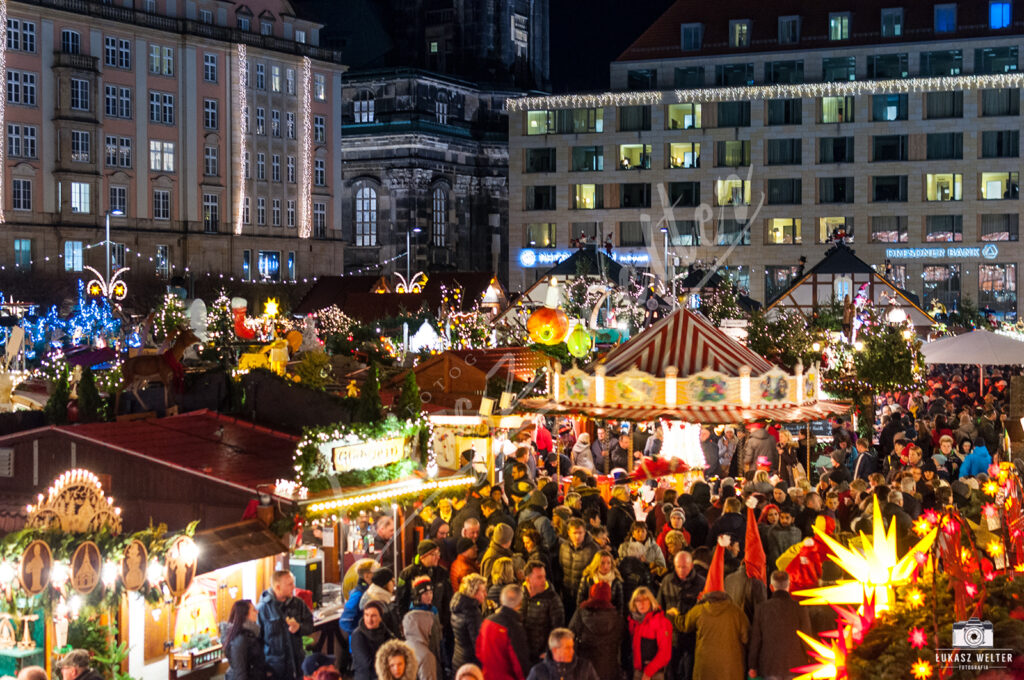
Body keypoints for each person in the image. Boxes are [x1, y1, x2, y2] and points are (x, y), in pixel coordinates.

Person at [748, 571, 812, 680]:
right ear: (789, 585)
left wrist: (752, 666)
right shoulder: (800, 608)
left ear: (771, 587)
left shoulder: (761, 609)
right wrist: (813, 661)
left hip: (769, 666)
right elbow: (807, 639)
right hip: (796, 665)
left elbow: (756, 640)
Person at [678, 589, 749, 680]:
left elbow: (684, 625)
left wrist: (673, 616)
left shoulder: (699, 610)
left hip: (705, 669)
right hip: (731, 671)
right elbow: (746, 638)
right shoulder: (737, 612)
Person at [258, 570, 314, 680]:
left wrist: (299, 628)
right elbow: (257, 643)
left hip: (297, 666)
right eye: (290, 584)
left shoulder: (298, 604)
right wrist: (264, 670)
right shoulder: (262, 609)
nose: (294, 587)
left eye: (293, 583)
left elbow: (310, 626)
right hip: (275, 670)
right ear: (277, 587)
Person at [569, 582, 624, 679]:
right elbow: (624, 641)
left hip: (585, 667)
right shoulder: (617, 617)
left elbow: (570, 635)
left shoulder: (581, 613)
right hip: (609, 668)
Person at [476, 584, 531, 680]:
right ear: (520, 603)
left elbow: (478, 651)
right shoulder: (514, 628)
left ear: (501, 600)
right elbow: (519, 663)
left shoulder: (487, 622)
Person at [521, 560, 566, 665]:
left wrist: (549, 651)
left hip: (542, 657)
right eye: (539, 577)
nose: (544, 580)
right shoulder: (521, 595)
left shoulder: (553, 599)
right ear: (528, 579)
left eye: (544, 576)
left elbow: (558, 628)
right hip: (524, 654)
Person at [627, 587, 672, 680]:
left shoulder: (660, 621)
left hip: (654, 674)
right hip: (637, 671)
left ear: (651, 601)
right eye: (638, 601)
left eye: (645, 600)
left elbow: (665, 653)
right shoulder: (633, 621)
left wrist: (648, 672)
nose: (641, 604)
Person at [404, 577, 442, 680]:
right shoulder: (414, 615)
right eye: (425, 594)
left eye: (431, 592)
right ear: (418, 596)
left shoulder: (433, 610)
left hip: (435, 650)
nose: (429, 596)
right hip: (424, 655)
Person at [525, 628, 600, 680]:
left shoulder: (585, 667)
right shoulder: (538, 672)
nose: (572, 651)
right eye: (567, 648)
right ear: (555, 650)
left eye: (572, 647)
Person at [559, 518, 599, 613]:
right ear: (569, 533)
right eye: (575, 533)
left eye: (580, 533)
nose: (577, 536)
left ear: (584, 532)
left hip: (584, 595)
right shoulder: (564, 547)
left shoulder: (593, 549)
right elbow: (560, 567)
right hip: (566, 593)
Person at [350, 602, 397, 680]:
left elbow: (395, 648)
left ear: (380, 618)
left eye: (373, 616)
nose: (369, 620)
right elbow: (367, 664)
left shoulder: (384, 630)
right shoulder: (358, 635)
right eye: (366, 615)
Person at [451, 574, 487, 669]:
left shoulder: (457, 607)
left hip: (458, 659)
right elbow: (478, 644)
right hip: (470, 664)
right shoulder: (472, 613)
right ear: (473, 592)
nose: (486, 594)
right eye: (483, 591)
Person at [224, 600, 267, 680]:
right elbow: (240, 672)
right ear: (245, 615)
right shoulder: (240, 639)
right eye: (254, 610)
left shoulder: (252, 633)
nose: (257, 612)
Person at [341, 560, 376, 635]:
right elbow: (345, 620)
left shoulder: (370, 592)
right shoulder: (357, 595)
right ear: (366, 576)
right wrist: (360, 636)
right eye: (375, 572)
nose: (378, 575)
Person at [608, 485, 636, 550]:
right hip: (621, 545)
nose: (628, 495)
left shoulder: (629, 507)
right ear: (618, 495)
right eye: (625, 493)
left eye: (628, 492)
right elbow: (611, 530)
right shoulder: (614, 510)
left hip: (631, 541)